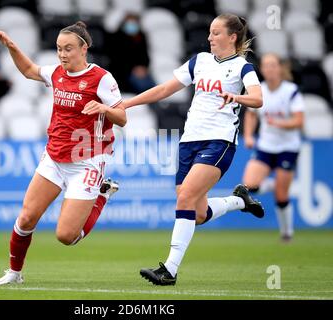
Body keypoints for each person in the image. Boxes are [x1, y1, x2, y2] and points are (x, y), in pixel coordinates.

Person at [112, 14, 264, 286]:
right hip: (189, 141)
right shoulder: (199, 61)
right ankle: (240, 201)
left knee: (184, 201)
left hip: (219, 141)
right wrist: (127, 104)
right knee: (197, 212)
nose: (209, 38)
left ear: (232, 37)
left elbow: (258, 98)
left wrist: (236, 96)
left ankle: (169, 270)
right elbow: (164, 89)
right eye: (209, 32)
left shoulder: (243, 67)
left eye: (216, 33)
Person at [0, 21, 127, 285]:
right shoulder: (56, 73)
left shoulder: (102, 79)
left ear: (84, 48)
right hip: (53, 157)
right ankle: (14, 273)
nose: (62, 55)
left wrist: (103, 109)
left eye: (68, 49)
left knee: (66, 236)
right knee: (27, 217)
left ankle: (102, 195)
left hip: (87, 162)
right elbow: (29, 70)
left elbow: (122, 118)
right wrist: (11, 46)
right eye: (59, 49)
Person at [242, 53, 305, 243]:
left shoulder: (290, 91)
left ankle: (287, 234)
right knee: (248, 186)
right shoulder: (259, 91)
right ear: (261, 69)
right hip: (266, 146)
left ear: (280, 68)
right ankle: (271, 184)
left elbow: (299, 120)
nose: (269, 69)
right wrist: (248, 135)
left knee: (281, 195)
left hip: (288, 147)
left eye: (272, 65)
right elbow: (251, 114)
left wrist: (278, 123)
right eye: (265, 65)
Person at [106, 13, 156, 94]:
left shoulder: (141, 37)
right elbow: (115, 59)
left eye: (134, 23)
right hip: (122, 73)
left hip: (140, 72)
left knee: (154, 88)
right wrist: (133, 69)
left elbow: (145, 56)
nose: (132, 25)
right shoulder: (115, 37)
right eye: (129, 23)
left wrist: (143, 67)